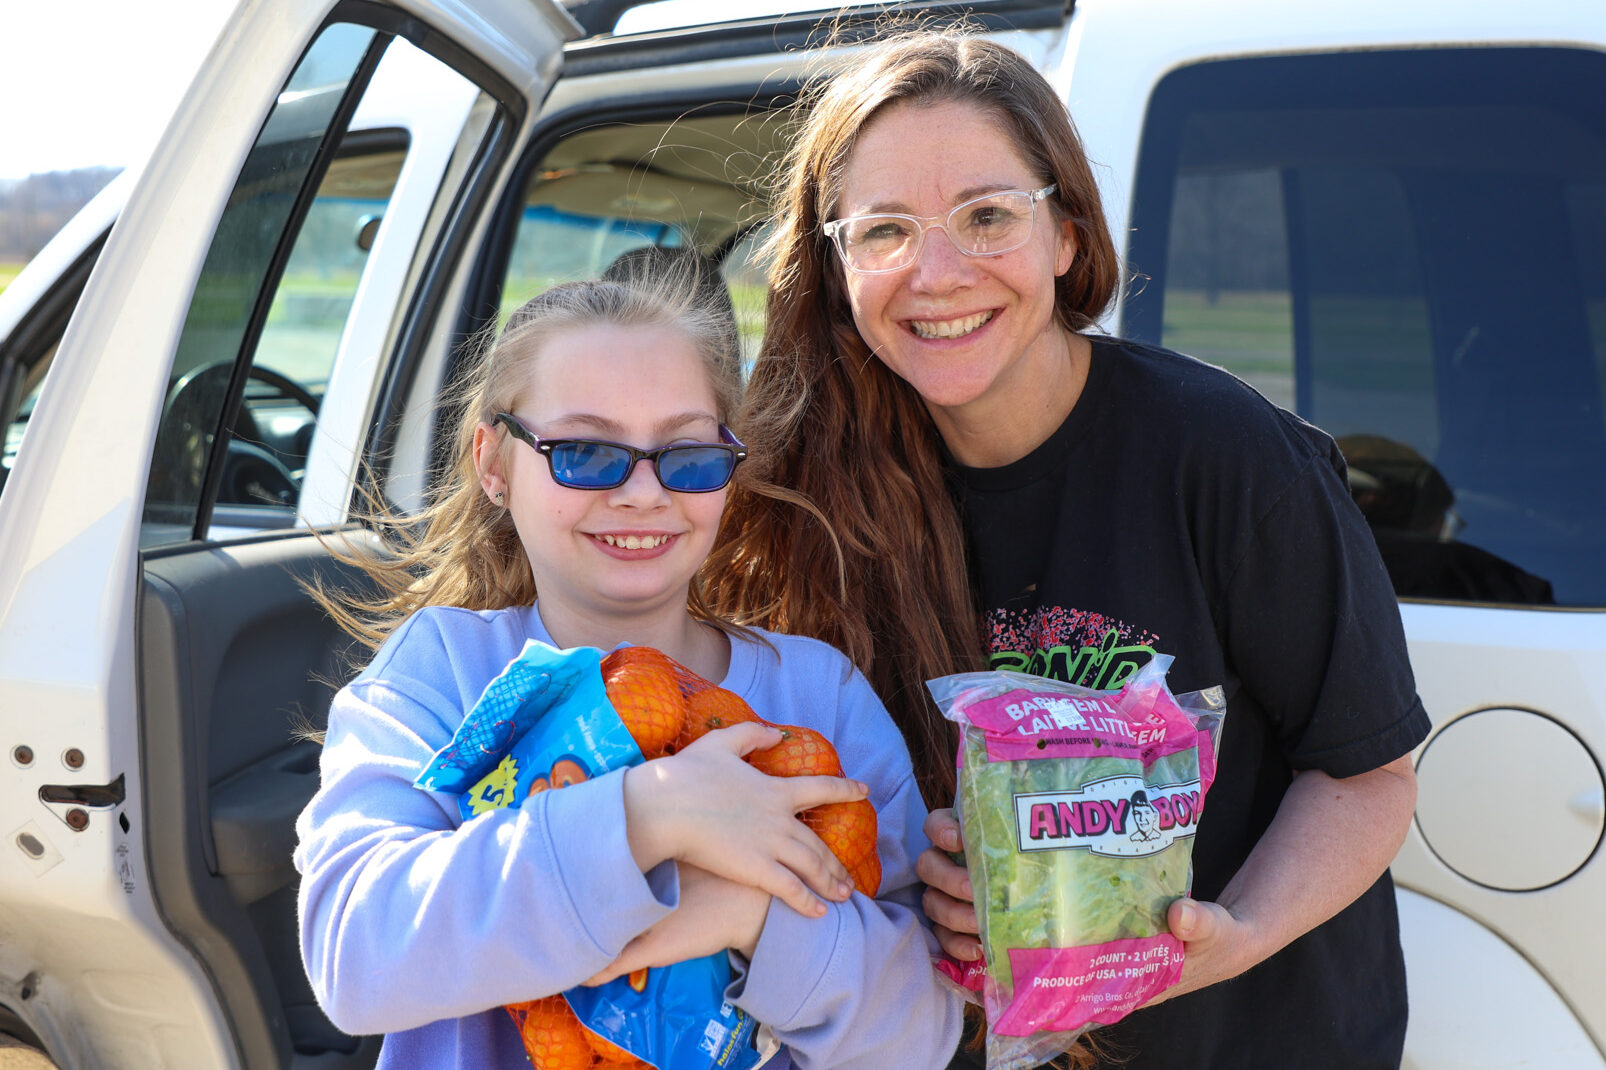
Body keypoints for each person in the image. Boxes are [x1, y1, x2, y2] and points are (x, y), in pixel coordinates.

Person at [707, 31, 1430, 1070]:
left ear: (1065, 232)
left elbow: (1368, 775)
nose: (937, 271)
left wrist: (1229, 936)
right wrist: (933, 883)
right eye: (885, 231)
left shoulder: (1224, 457)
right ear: (834, 262)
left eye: (987, 215)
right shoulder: (805, 498)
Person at [293, 264, 964, 1068]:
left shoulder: (817, 695)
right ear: (495, 465)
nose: (644, 493)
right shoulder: (443, 672)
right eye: (584, 452)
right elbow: (354, 954)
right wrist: (649, 815)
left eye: (685, 456)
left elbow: (921, 1032)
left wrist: (754, 914)